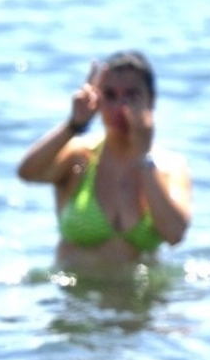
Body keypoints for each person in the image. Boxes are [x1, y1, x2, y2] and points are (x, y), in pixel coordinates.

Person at [17, 51, 192, 273]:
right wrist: (74, 125)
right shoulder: (80, 158)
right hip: (75, 292)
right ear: (97, 101)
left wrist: (143, 156)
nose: (121, 107)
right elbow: (27, 173)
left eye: (132, 95)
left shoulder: (169, 167)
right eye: (110, 95)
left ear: (151, 100)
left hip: (140, 294)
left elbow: (175, 234)